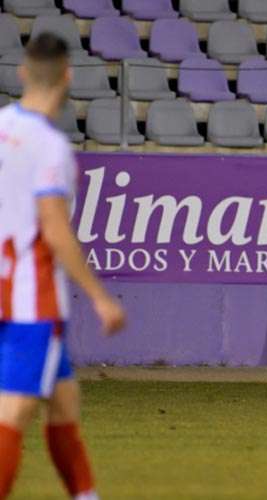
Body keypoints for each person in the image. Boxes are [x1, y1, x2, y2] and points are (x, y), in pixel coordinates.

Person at [0, 34, 126, 499]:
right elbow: (54, 227)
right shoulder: (49, 147)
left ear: (22, 73)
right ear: (68, 76)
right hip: (32, 298)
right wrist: (99, 296)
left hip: (4, 287)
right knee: (13, 410)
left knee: (64, 400)